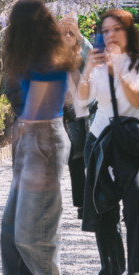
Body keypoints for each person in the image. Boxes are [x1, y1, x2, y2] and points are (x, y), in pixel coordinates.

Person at [0, 0, 79, 275]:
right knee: (12, 221)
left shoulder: (50, 56)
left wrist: (22, 125)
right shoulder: (32, 56)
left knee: (37, 217)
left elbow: (43, 96)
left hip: (44, 137)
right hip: (31, 137)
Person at [78, 9, 139, 275]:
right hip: (100, 139)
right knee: (103, 204)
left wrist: (119, 69)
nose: (110, 35)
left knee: (138, 201)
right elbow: (80, 102)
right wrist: (89, 70)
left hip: (132, 140)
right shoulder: (100, 64)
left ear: (130, 32)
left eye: (116, 29)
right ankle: (112, 269)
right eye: (105, 30)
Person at [58, 16, 91, 220]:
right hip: (56, 112)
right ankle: (51, 204)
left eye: (72, 33)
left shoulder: (83, 54)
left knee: (79, 159)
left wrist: (79, 36)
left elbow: (93, 56)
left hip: (80, 111)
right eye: (64, 32)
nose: (68, 36)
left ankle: (82, 204)